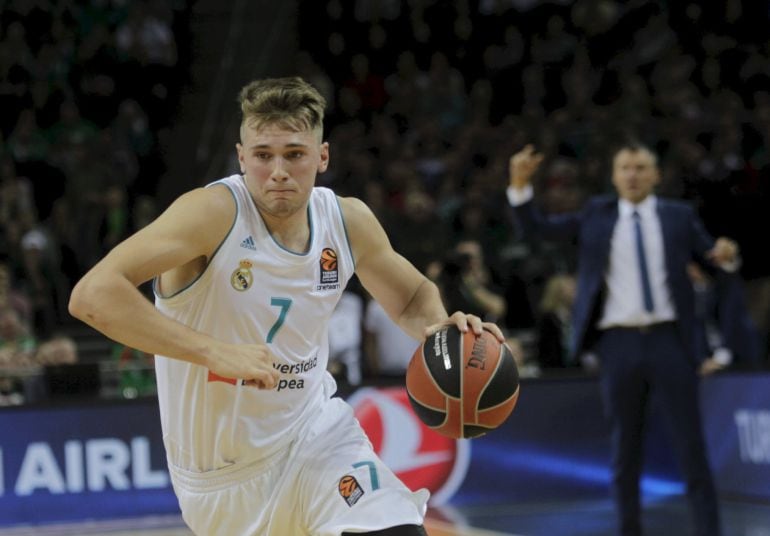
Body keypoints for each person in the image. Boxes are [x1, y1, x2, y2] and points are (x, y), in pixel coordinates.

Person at [69, 76, 506, 536]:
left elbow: (413, 296)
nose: (278, 170)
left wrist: (441, 330)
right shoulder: (211, 214)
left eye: (294, 154)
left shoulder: (346, 219)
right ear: (242, 158)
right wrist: (213, 351)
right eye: (263, 156)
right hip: (222, 481)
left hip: (318, 437)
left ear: (322, 156)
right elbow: (93, 296)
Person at [506, 142, 740, 536]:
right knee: (624, 449)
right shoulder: (597, 214)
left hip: (671, 340)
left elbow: (714, 259)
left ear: (656, 175)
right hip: (618, 344)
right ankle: (629, 530)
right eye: (625, 168)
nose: (633, 174)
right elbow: (537, 229)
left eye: (641, 167)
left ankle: (709, 531)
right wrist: (519, 186)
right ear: (614, 176)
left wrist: (728, 255)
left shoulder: (678, 216)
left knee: (691, 446)